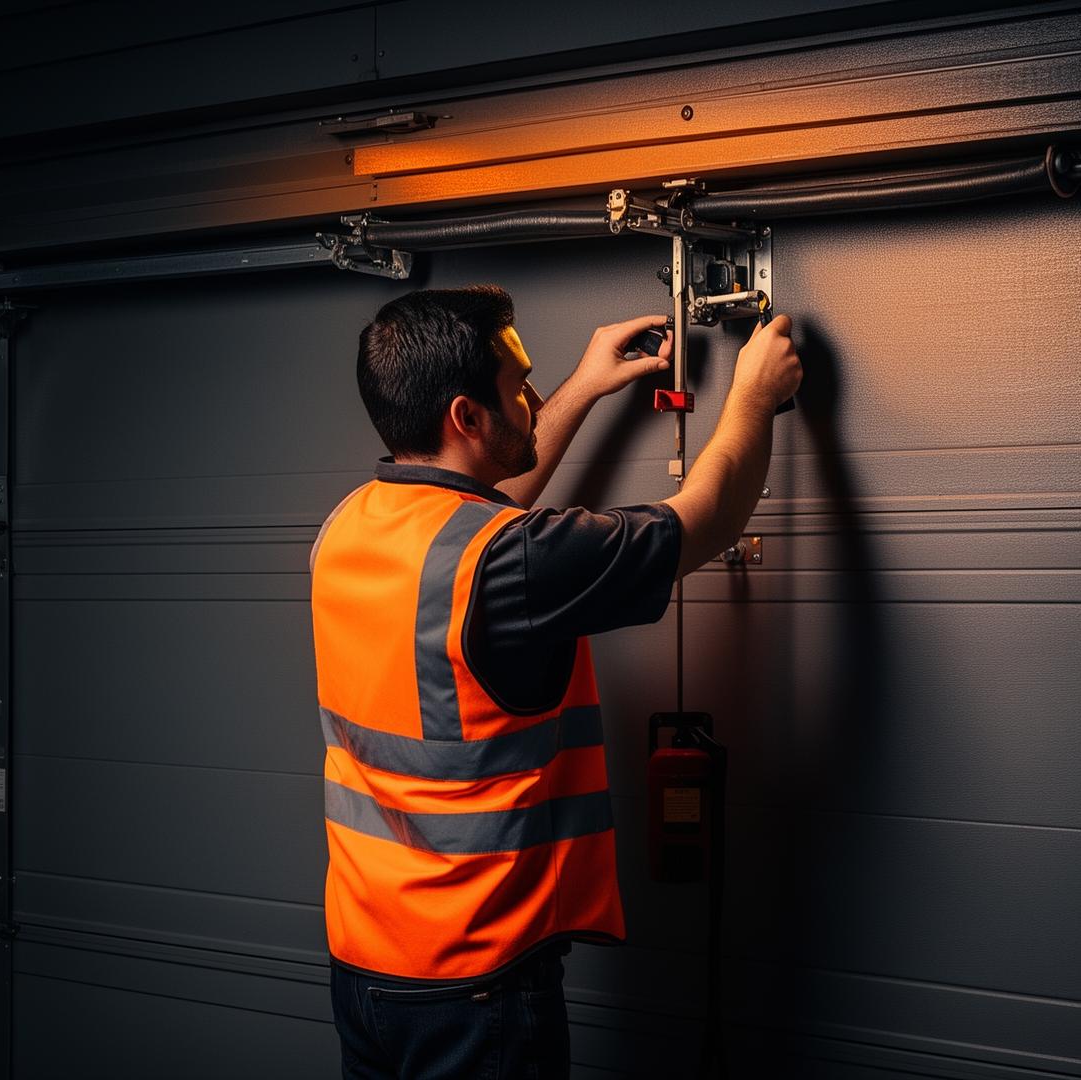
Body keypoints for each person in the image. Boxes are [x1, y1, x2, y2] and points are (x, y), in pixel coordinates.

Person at [309, 284, 801, 1079]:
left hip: (366, 968)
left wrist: (585, 385)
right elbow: (707, 517)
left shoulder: (347, 528)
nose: (534, 401)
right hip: (478, 984)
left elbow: (479, 510)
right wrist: (754, 394)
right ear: (468, 417)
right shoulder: (510, 561)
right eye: (520, 389)